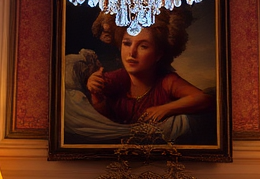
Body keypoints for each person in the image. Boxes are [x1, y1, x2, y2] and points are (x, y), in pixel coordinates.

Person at [85, 10, 213, 125]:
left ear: (158, 54)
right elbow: (103, 121)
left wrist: (165, 109)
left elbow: (204, 99)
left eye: (143, 46)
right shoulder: (114, 78)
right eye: (127, 44)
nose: (132, 53)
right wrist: (95, 92)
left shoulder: (166, 82)